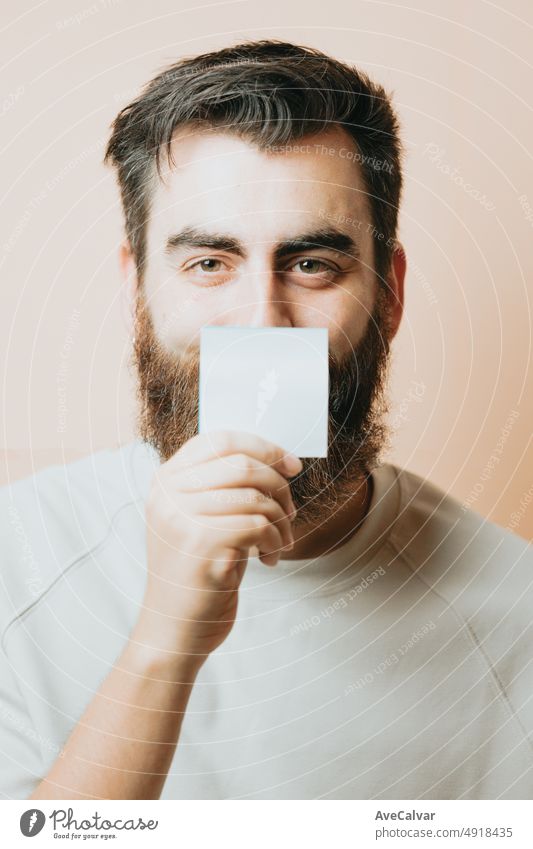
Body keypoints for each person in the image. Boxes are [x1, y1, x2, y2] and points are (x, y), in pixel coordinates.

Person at [1, 40, 531, 801]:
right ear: (137, 293)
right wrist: (165, 640)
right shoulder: (14, 564)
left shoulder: (517, 623)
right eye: (209, 263)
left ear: (389, 294)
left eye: (312, 263)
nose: (262, 324)